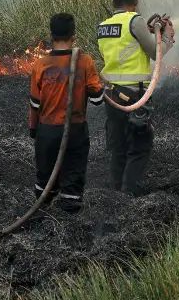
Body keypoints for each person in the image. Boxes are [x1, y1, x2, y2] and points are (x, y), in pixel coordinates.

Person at [97, 0, 174, 196]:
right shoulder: (135, 20)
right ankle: (129, 192)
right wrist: (166, 37)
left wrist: (149, 31)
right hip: (134, 95)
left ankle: (115, 194)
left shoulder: (103, 26)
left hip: (112, 94)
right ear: (136, 1)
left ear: (113, 2)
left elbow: (125, 47)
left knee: (118, 146)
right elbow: (153, 52)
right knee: (140, 145)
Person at [28, 12, 105, 212]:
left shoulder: (40, 65)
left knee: (45, 180)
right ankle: (69, 224)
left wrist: (34, 130)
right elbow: (97, 99)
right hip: (75, 132)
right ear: (74, 35)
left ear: (51, 36)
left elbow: (35, 104)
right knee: (73, 181)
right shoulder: (85, 61)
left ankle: (42, 216)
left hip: (47, 131)